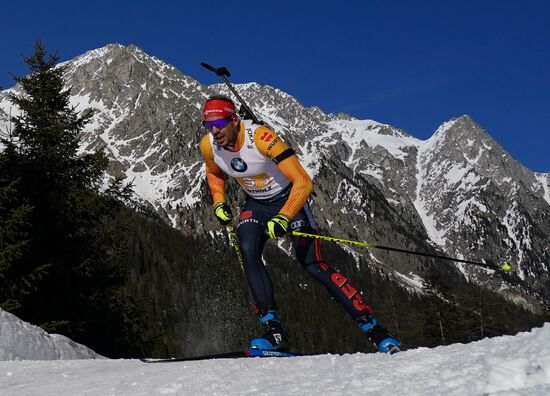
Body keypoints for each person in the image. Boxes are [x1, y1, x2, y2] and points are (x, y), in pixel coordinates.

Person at [199, 95, 400, 354]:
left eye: (219, 123)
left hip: (290, 198)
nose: (214, 131)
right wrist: (218, 201)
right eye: (208, 124)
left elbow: (304, 182)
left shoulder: (261, 138)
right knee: (247, 248)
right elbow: (214, 172)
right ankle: (274, 331)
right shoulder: (209, 145)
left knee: (313, 264)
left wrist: (284, 216)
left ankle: (374, 329)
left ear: (234, 121)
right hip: (257, 203)